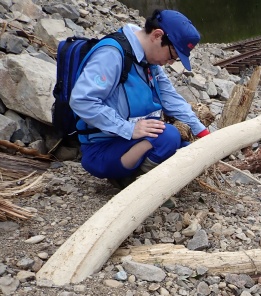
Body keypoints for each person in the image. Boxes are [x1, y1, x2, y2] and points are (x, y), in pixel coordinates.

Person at [69, 9, 210, 189]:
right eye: (172, 56)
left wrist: (202, 132)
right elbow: (82, 100)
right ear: (157, 36)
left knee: (183, 150)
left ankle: (135, 177)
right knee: (168, 137)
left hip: (127, 142)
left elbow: (170, 98)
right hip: (101, 148)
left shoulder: (147, 59)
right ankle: (135, 186)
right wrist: (129, 129)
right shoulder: (112, 54)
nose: (170, 63)